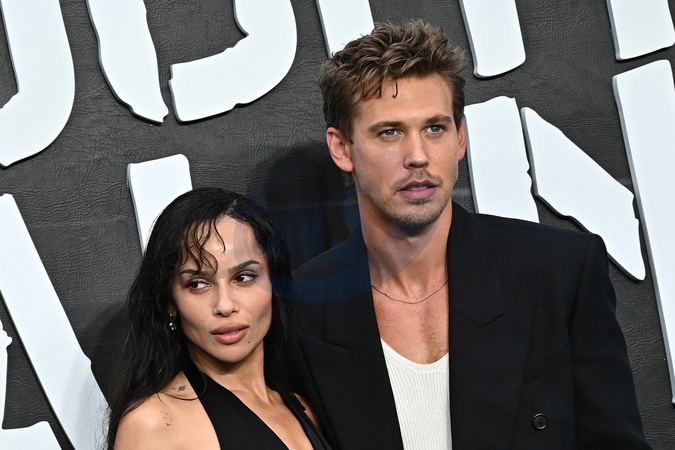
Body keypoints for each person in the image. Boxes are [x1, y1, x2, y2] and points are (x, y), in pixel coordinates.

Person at [291, 20, 651, 449]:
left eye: (435, 128)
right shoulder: (300, 308)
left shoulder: (559, 272)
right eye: (390, 132)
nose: (418, 156)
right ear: (341, 148)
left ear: (460, 137)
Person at [107, 187, 330, 450]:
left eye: (243, 277)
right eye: (198, 284)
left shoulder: (306, 408)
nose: (225, 306)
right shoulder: (153, 423)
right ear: (170, 301)